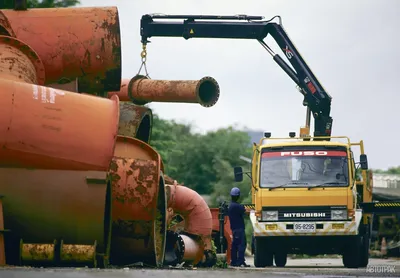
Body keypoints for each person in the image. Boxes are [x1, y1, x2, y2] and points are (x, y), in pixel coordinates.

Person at [228, 187, 250, 267]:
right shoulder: (238, 206)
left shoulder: (231, 206)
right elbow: (247, 212)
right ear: (238, 196)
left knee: (235, 245)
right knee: (242, 244)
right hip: (239, 229)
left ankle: (234, 261)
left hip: (234, 229)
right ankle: (240, 261)